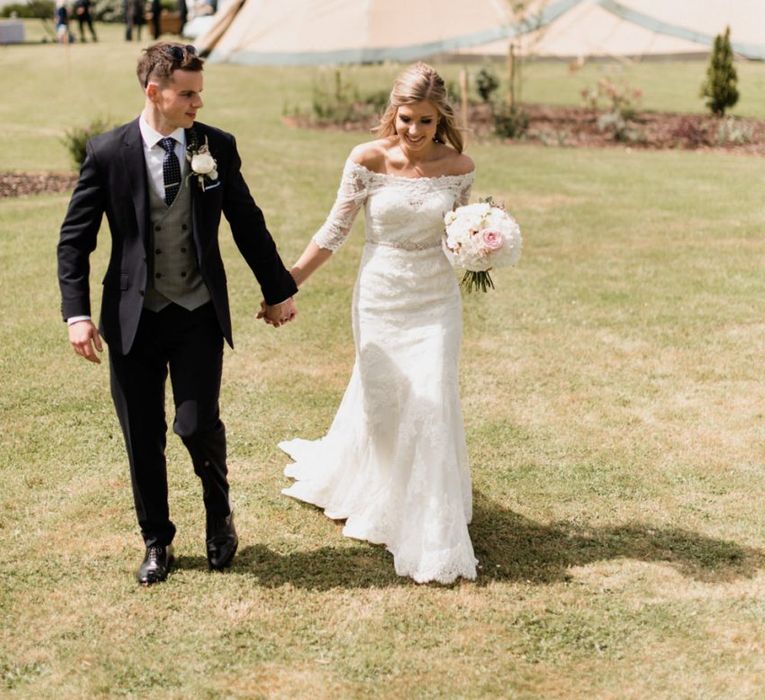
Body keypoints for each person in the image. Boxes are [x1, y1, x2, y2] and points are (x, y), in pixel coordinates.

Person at [57, 42, 298, 585]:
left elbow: (247, 221)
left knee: (194, 425)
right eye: (186, 93)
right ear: (154, 92)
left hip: (196, 311)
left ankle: (219, 516)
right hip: (131, 317)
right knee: (142, 433)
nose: (197, 103)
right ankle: (156, 540)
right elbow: (74, 242)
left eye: (199, 92)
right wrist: (76, 314)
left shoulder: (215, 146)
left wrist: (277, 288)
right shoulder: (109, 153)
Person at [278, 62, 477, 584]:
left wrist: (481, 245)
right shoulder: (366, 159)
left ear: (441, 121)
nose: (414, 131)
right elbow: (335, 229)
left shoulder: (459, 167)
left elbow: (460, 233)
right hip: (381, 295)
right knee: (385, 403)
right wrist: (290, 280)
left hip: (435, 299)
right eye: (407, 118)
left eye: (426, 122)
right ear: (394, 113)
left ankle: (431, 520)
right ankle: (384, 491)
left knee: (432, 397)